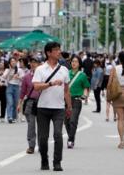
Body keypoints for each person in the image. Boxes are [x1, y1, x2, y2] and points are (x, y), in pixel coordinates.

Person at [32, 42, 72, 171]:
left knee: (58, 134)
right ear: (48, 53)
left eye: (59, 49)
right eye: (56, 50)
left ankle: (57, 162)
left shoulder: (64, 70)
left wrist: (69, 107)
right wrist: (51, 83)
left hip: (59, 108)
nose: (59, 52)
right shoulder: (40, 69)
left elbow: (66, 90)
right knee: (43, 138)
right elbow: (36, 87)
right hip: (43, 108)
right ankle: (44, 160)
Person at [64, 55, 90, 149]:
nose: (74, 63)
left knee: (73, 120)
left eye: (76, 61)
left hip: (76, 100)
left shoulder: (82, 75)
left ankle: (70, 140)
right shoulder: (66, 73)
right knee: (66, 121)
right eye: (72, 61)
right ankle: (71, 136)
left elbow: (86, 87)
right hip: (66, 100)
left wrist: (85, 95)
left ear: (79, 64)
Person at [18, 57, 41, 154]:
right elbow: (22, 92)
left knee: (42, 125)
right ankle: (31, 146)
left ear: (39, 64)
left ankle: (42, 145)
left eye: (35, 62)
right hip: (30, 102)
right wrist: (19, 104)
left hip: (41, 102)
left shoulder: (43, 76)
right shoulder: (26, 77)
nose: (33, 64)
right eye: (31, 62)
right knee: (31, 125)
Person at [2, 57, 25, 123]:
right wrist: (9, 71)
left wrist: (18, 77)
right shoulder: (7, 70)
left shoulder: (19, 70)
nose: (13, 62)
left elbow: (23, 79)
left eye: (14, 61)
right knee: (10, 102)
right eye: (11, 61)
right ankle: (10, 117)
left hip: (17, 87)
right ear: (9, 63)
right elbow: (4, 78)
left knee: (15, 103)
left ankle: (14, 117)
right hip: (9, 86)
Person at [104, 55, 117, 122]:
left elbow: (106, 79)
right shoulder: (114, 67)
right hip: (114, 87)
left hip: (109, 87)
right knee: (114, 103)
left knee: (108, 103)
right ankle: (114, 116)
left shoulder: (107, 66)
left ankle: (107, 117)